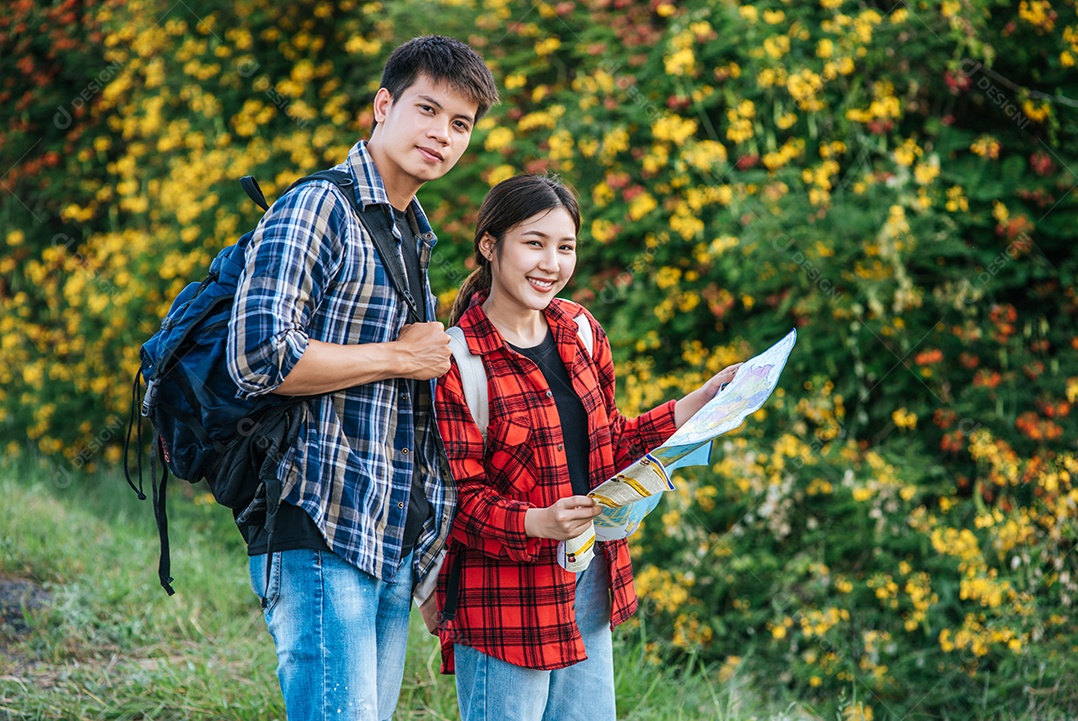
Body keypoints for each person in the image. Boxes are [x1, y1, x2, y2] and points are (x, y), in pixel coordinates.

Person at [225, 36, 498, 721]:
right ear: (384, 105)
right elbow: (258, 355)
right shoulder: (318, 207)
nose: (442, 134)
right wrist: (399, 356)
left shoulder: (413, 234)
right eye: (428, 110)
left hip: (386, 537)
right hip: (319, 523)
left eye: (460, 124)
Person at [433, 174, 742, 721]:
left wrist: (695, 405)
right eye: (534, 243)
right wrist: (538, 522)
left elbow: (612, 441)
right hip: (505, 602)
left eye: (565, 246)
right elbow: (458, 502)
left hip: (588, 579)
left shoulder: (580, 330)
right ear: (489, 245)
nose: (550, 262)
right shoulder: (456, 363)